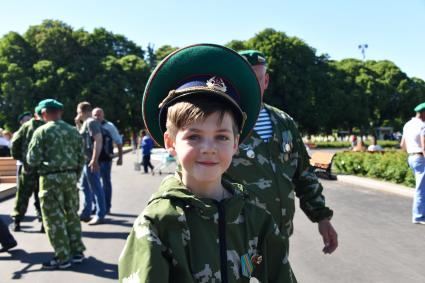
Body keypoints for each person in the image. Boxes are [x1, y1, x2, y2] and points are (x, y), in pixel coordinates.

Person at [119, 44, 296, 282]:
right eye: (194, 136)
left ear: (236, 144)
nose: (209, 148)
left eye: (221, 137)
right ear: (170, 142)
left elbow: (269, 271)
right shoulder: (159, 224)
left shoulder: (254, 220)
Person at [224, 50, 338, 255]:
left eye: (257, 79)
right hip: (238, 238)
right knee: (243, 275)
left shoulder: (283, 122)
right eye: (244, 79)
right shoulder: (222, 122)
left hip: (279, 236)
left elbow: (303, 173)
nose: (250, 86)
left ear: (266, 80)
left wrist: (322, 217)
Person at [27, 99, 85, 269]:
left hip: (50, 179)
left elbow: (32, 159)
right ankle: (77, 252)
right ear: (59, 112)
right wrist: (75, 175)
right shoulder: (73, 131)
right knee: (72, 214)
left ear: (44, 113)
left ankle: (62, 257)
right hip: (70, 177)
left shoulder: (41, 132)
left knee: (54, 219)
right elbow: (81, 157)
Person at [10, 106, 45, 232]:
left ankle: (17, 222)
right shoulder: (49, 126)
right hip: (44, 169)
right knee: (42, 196)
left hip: (28, 168)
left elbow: (15, 143)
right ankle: (43, 223)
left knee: (22, 195)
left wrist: (20, 158)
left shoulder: (26, 126)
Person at [75, 102, 105, 225]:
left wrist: (94, 159)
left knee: (96, 188)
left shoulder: (91, 122)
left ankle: (100, 214)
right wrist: (77, 123)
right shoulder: (86, 123)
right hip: (85, 161)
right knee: (84, 187)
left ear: (81, 112)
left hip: (90, 161)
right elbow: (80, 137)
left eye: (78, 112)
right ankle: (86, 213)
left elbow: (98, 140)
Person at [92, 107, 123, 214]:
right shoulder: (90, 126)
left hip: (105, 160)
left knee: (106, 184)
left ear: (103, 115)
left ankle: (107, 207)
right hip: (93, 161)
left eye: (99, 114)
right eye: (95, 115)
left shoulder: (109, 126)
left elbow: (118, 142)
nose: (97, 117)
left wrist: (120, 158)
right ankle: (97, 207)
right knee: (94, 185)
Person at [400, 102, 425, 224]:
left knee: (421, 187)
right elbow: (424, 147)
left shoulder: (407, 125)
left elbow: (402, 145)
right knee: (421, 188)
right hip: (420, 157)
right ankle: (419, 216)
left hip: (411, 157)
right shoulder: (423, 126)